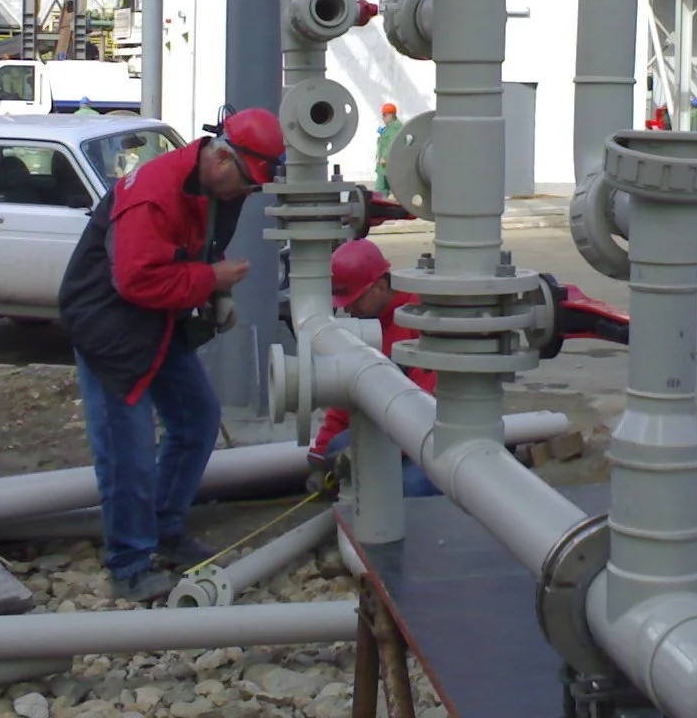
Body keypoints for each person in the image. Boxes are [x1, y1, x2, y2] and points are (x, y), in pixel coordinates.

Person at [59, 106, 286, 603]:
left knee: (197, 418)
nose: (248, 195)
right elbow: (136, 279)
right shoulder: (156, 193)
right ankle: (129, 564)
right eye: (247, 183)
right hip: (109, 322)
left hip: (155, 317)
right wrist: (211, 282)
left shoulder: (219, 186)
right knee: (128, 450)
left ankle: (163, 528)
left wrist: (212, 286)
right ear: (223, 160)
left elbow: (199, 245)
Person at [306, 240, 440, 498]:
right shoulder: (368, 326)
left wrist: (367, 451)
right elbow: (350, 386)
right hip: (393, 429)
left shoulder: (419, 320)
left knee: (407, 487)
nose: (347, 307)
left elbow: (426, 412)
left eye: (354, 298)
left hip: (433, 438)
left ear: (381, 285)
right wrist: (319, 455)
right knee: (337, 447)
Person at [374, 103, 402, 193]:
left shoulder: (395, 126)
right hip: (382, 165)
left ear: (392, 114)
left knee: (385, 189)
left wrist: (385, 157)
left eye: (385, 115)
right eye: (383, 115)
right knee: (381, 188)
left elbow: (392, 142)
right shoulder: (388, 127)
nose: (383, 117)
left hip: (388, 164)